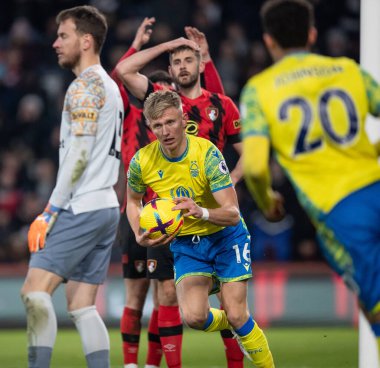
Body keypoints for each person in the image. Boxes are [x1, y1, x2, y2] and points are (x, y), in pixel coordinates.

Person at [240, 0, 380, 360]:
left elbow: (255, 167)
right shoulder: (347, 69)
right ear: (313, 34)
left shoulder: (260, 89)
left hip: (342, 212)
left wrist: (267, 199)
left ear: (269, 41)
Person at [116, 30, 245, 368]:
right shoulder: (163, 99)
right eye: (176, 61)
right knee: (168, 294)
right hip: (166, 214)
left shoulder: (220, 104)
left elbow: (247, 153)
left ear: (200, 63)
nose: (182, 65)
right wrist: (166, 45)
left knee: (226, 299)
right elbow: (124, 70)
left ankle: (236, 362)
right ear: (170, 69)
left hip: (210, 213)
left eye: (189, 59)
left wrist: (230, 179)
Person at [126, 89, 274, 367]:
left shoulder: (206, 154)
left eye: (170, 122)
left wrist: (200, 210)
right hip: (187, 243)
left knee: (239, 315)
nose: (165, 131)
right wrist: (138, 232)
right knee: (194, 317)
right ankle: (230, 318)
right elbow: (132, 201)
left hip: (225, 237)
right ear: (150, 127)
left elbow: (232, 213)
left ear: (183, 120)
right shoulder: (142, 161)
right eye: (157, 125)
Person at [20, 6, 123, 368]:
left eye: (63, 35)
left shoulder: (84, 88)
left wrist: (50, 211)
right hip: (106, 207)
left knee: (34, 292)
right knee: (81, 305)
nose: (55, 43)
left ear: (86, 40)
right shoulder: (109, 86)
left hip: (81, 205)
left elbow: (78, 156)